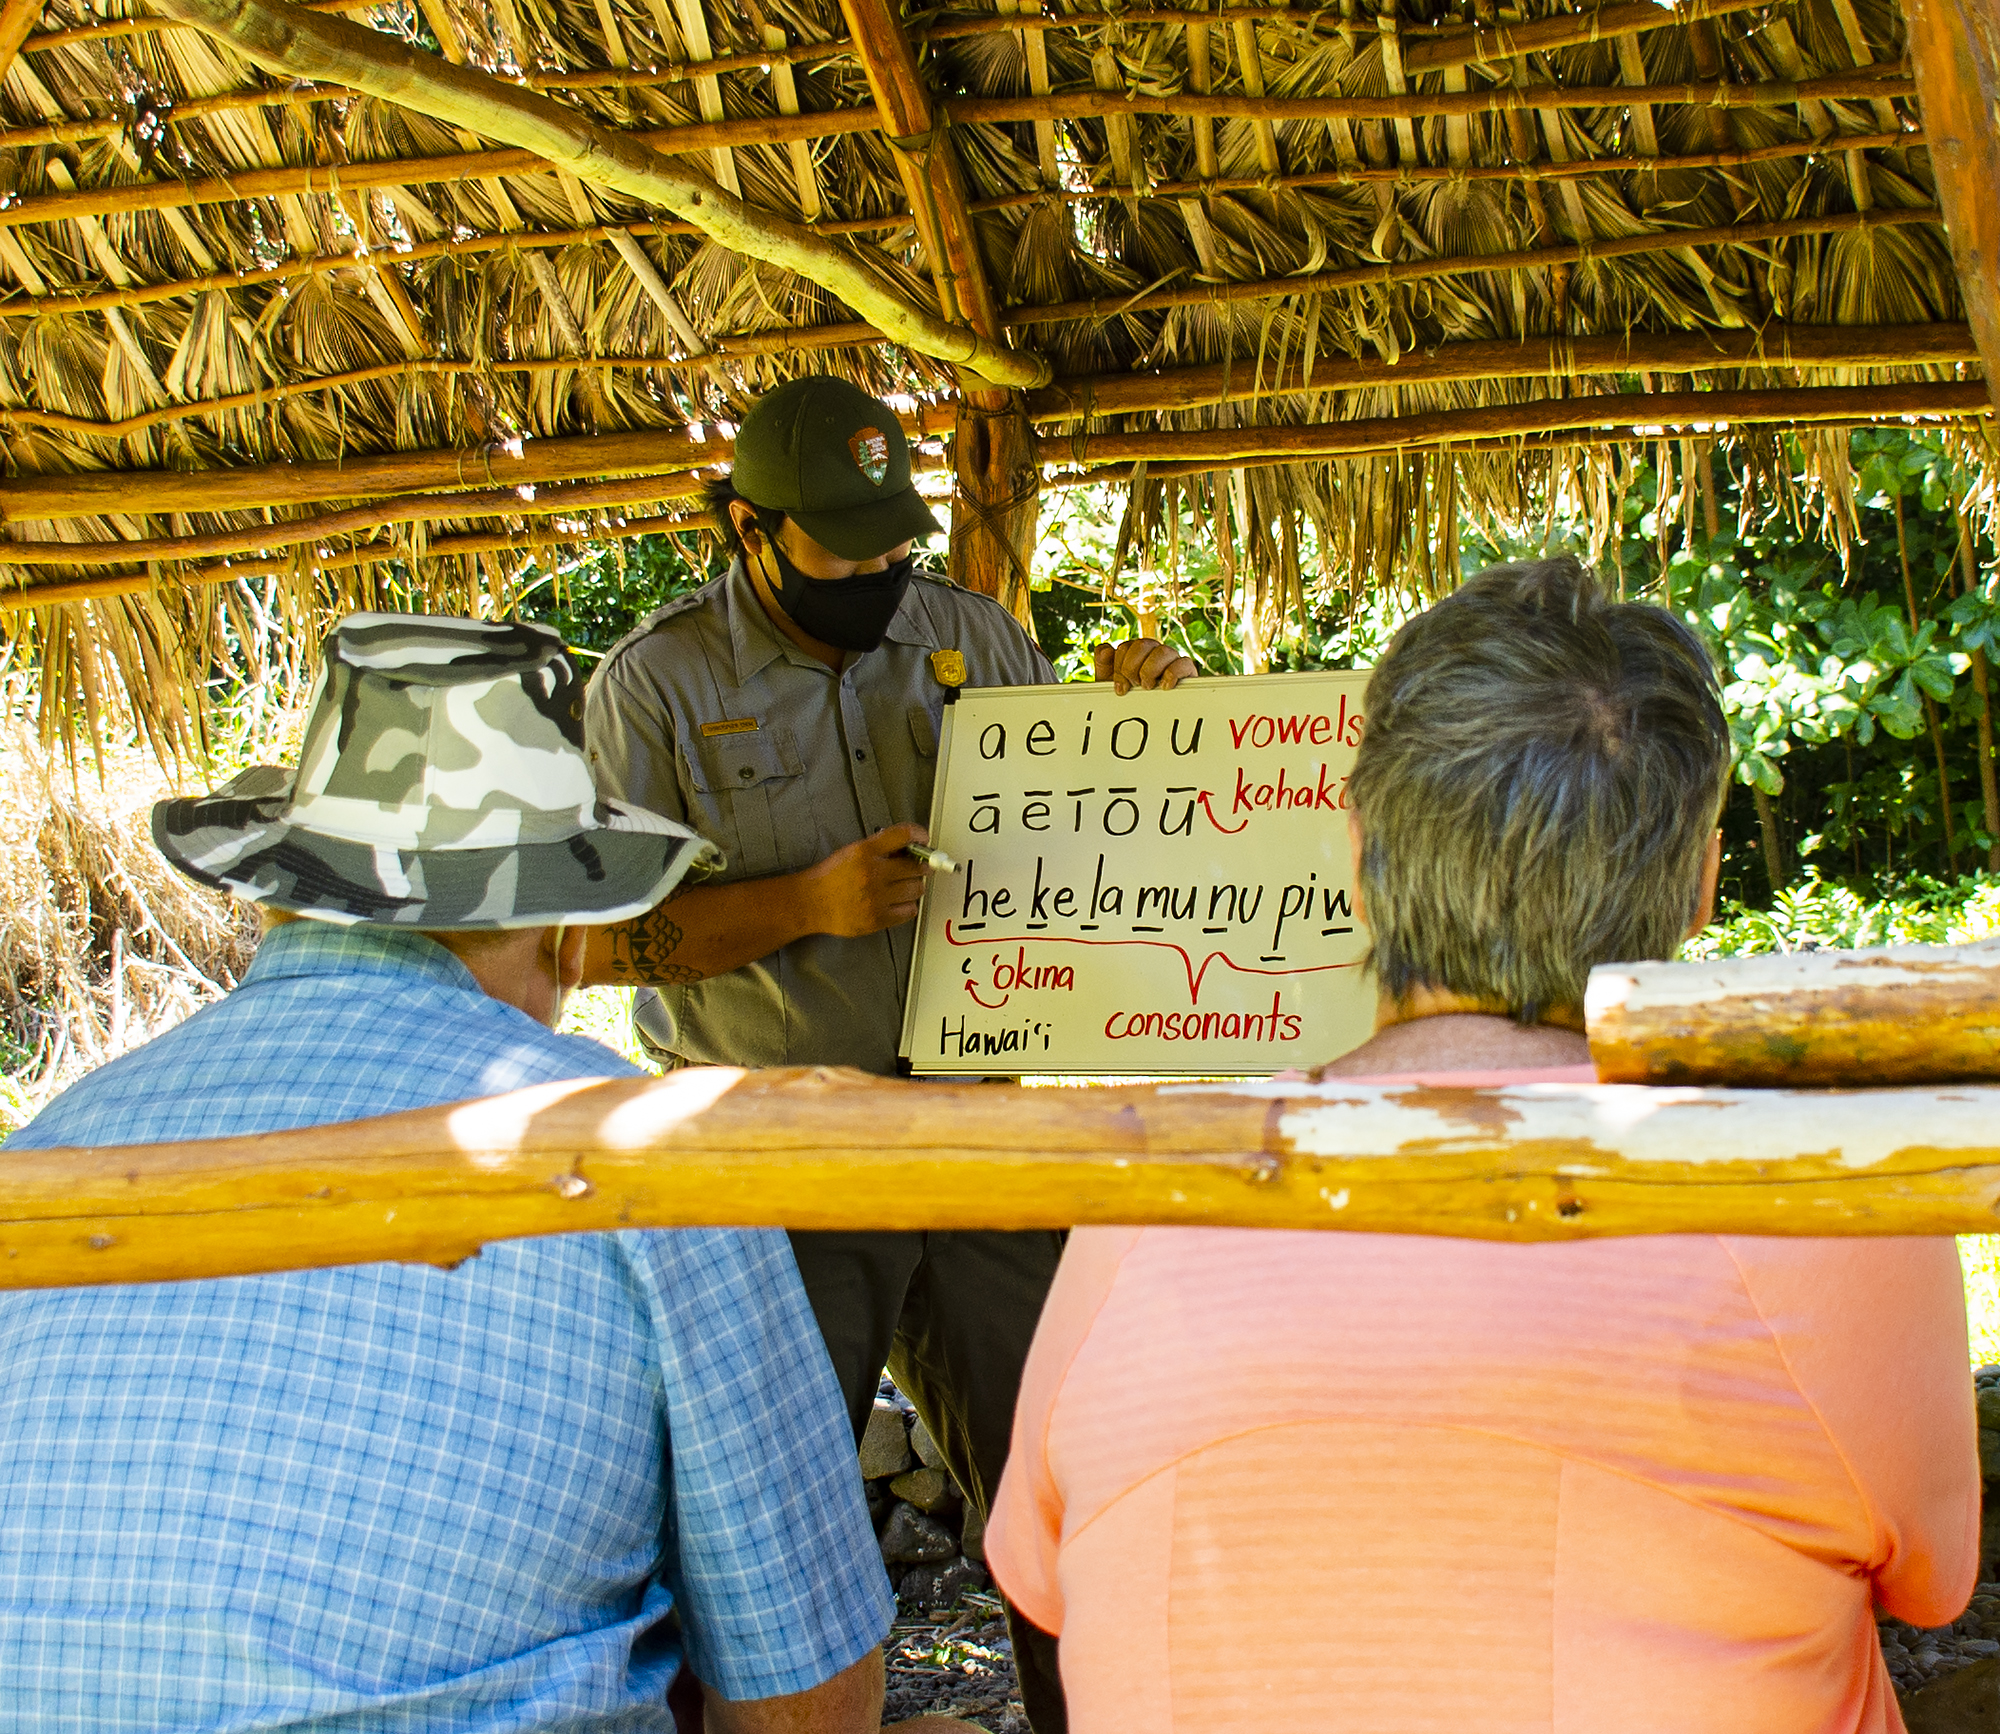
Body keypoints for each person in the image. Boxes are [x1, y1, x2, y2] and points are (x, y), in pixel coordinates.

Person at [986, 556, 1981, 1734]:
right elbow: (1931, 1583)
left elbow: (1037, 1580)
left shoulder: (1144, 1211)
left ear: (1355, 855)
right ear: (1701, 880)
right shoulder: (1822, 1203)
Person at [0, 613, 964, 1734]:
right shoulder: (644, 1158)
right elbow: (807, 1694)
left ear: (283, 894)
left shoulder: (49, 1147)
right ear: (566, 929)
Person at [582, 375, 1193, 1734]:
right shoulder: (658, 685)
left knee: (1071, 1480)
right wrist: (806, 904)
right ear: (749, 527)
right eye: (841, 546)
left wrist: (1165, 724)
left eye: (894, 541)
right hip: (770, 1157)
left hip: (983, 1132)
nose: (877, 570)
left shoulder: (975, 633)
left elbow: (1105, 848)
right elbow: (598, 946)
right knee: (750, 1535)